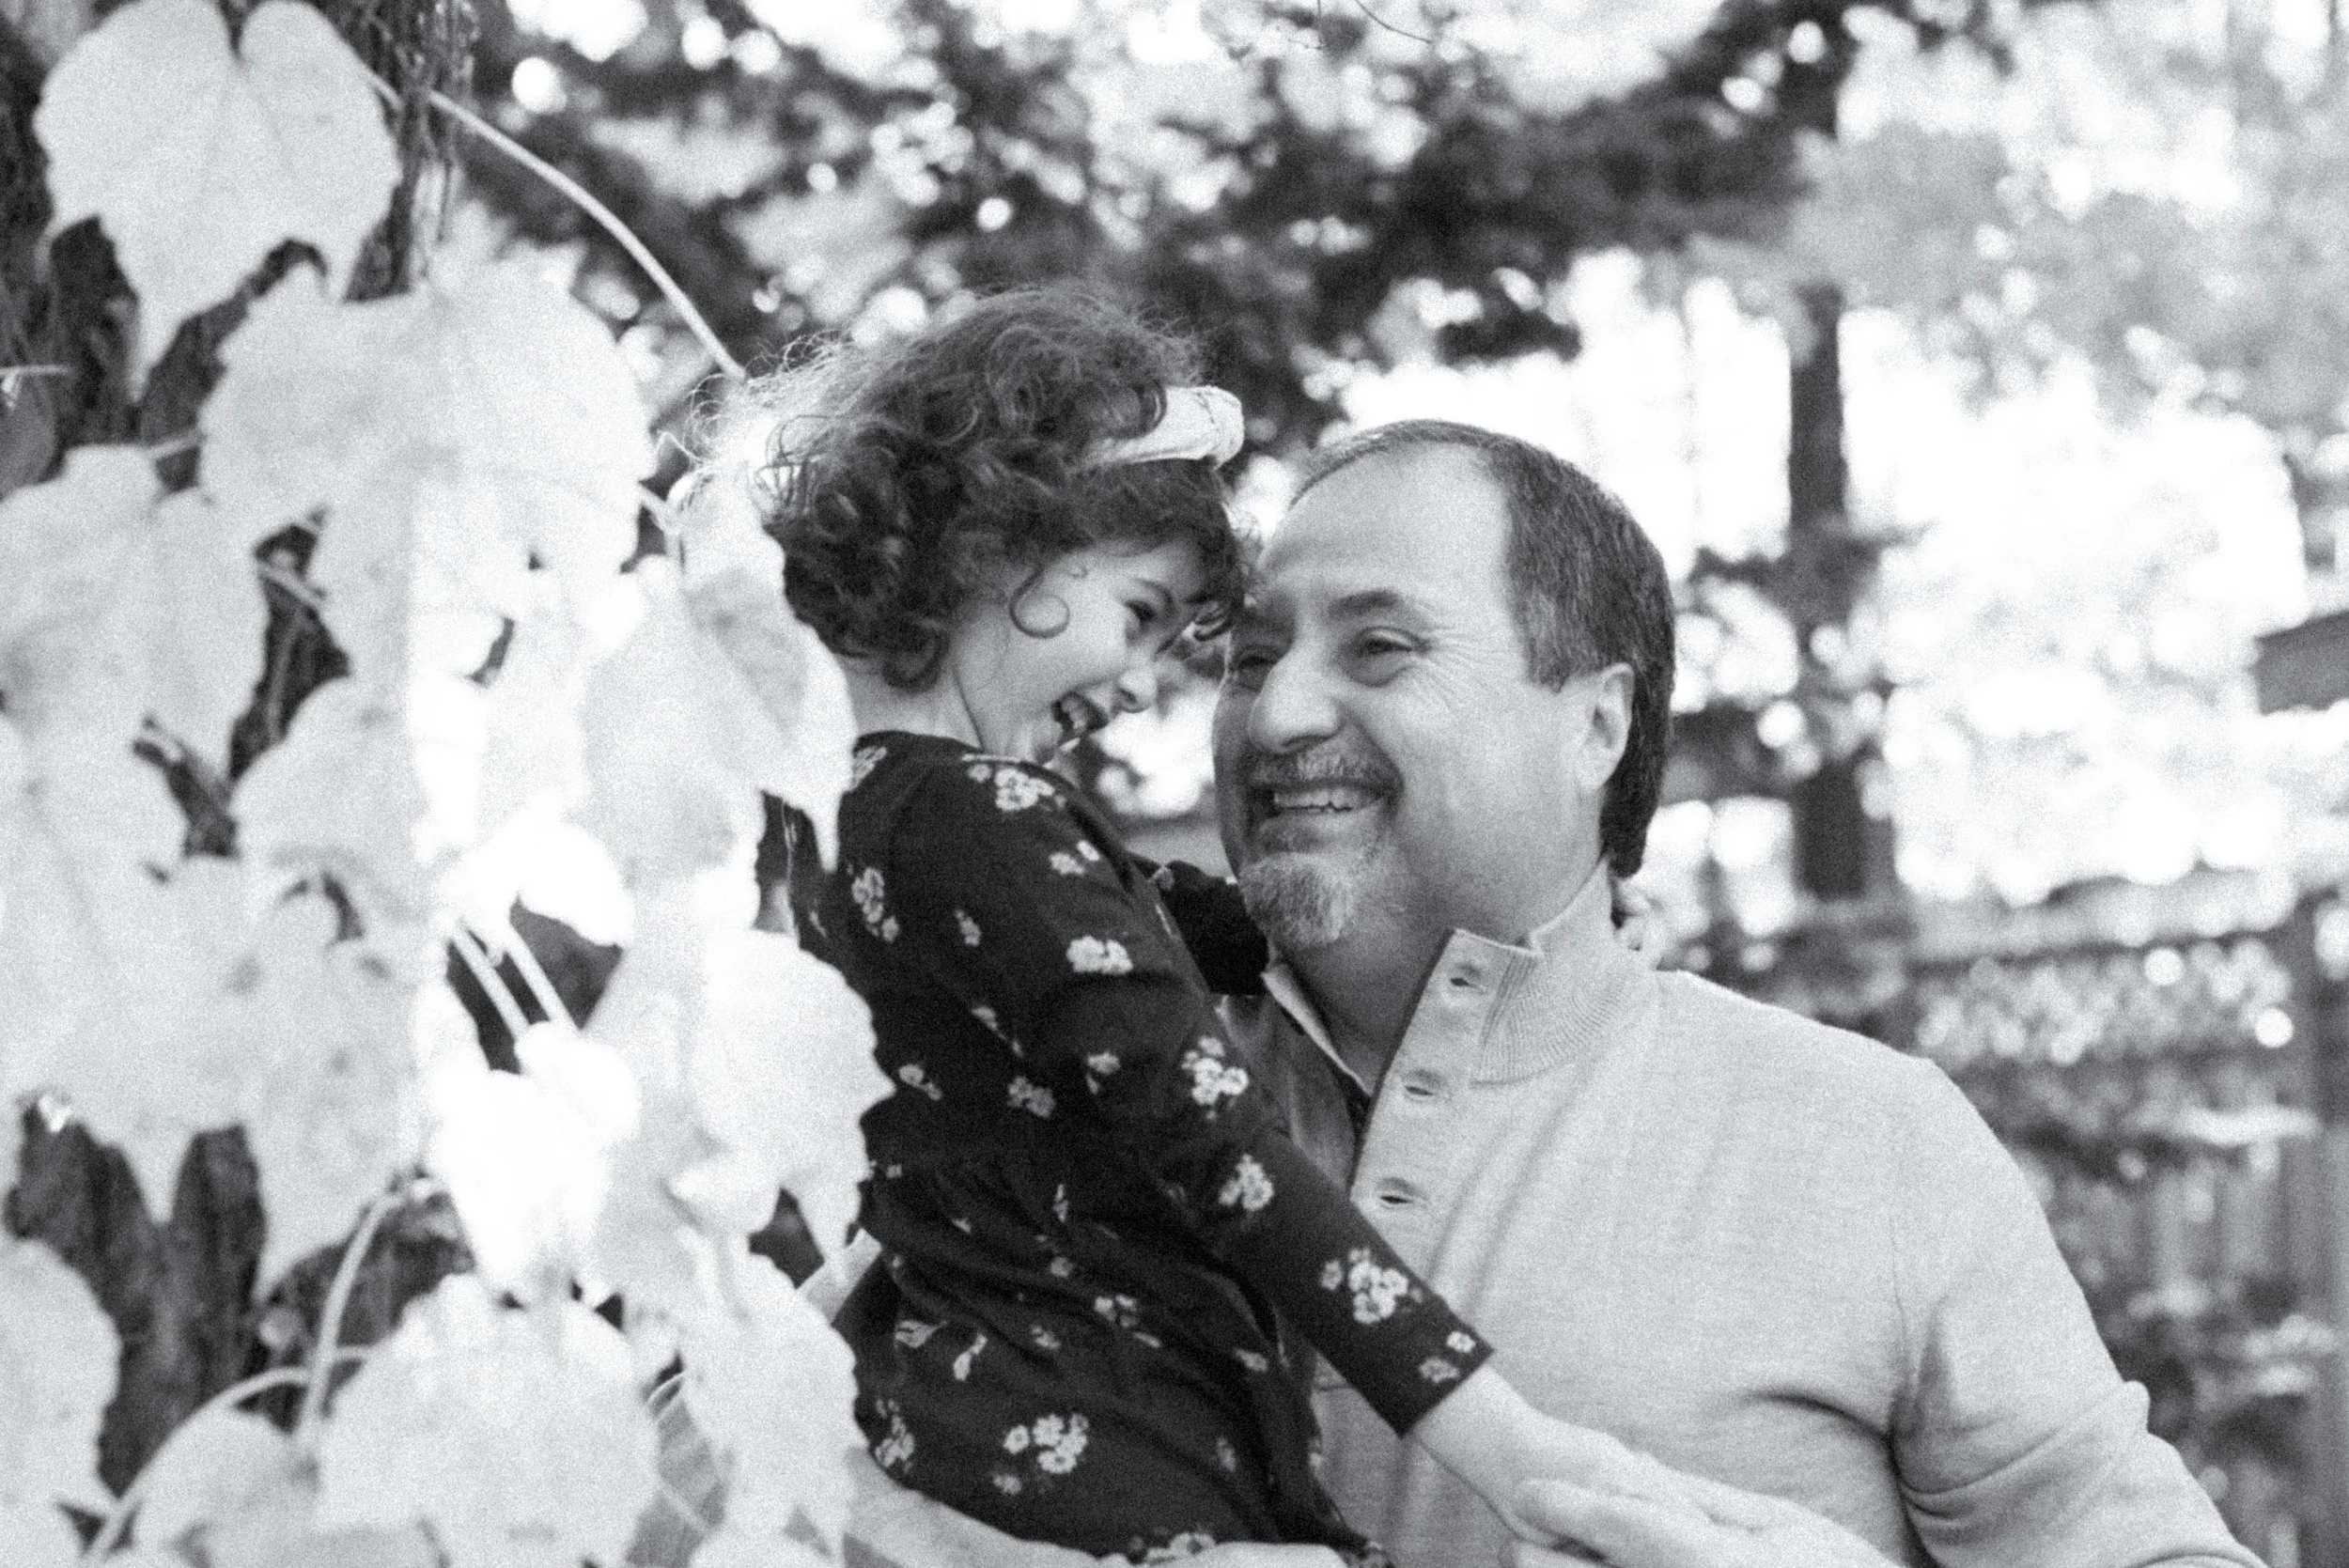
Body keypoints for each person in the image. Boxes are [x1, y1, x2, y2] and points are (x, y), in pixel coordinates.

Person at [1197, 418, 2263, 1568]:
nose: (1276, 713)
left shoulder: (1865, 1138)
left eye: (1380, 648)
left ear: (1595, 724)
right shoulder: (1052, 1095)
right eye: (1249, 659)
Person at [756, 291, 1705, 1568]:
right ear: (1002, 543)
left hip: (962, 1459)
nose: (1143, 681)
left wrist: (1558, 932)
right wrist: (1509, 1446)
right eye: (1143, 613)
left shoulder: (837, 822)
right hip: (1101, 1485)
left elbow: (1171, 927)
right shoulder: (982, 815)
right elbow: (1227, 1161)